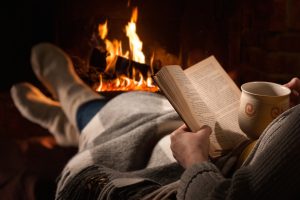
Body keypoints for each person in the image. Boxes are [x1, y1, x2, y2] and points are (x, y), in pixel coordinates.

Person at [10, 42, 300, 200]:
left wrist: (194, 159)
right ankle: (71, 119)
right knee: (157, 110)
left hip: (207, 165)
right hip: (239, 146)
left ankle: (75, 101)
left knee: (136, 117)